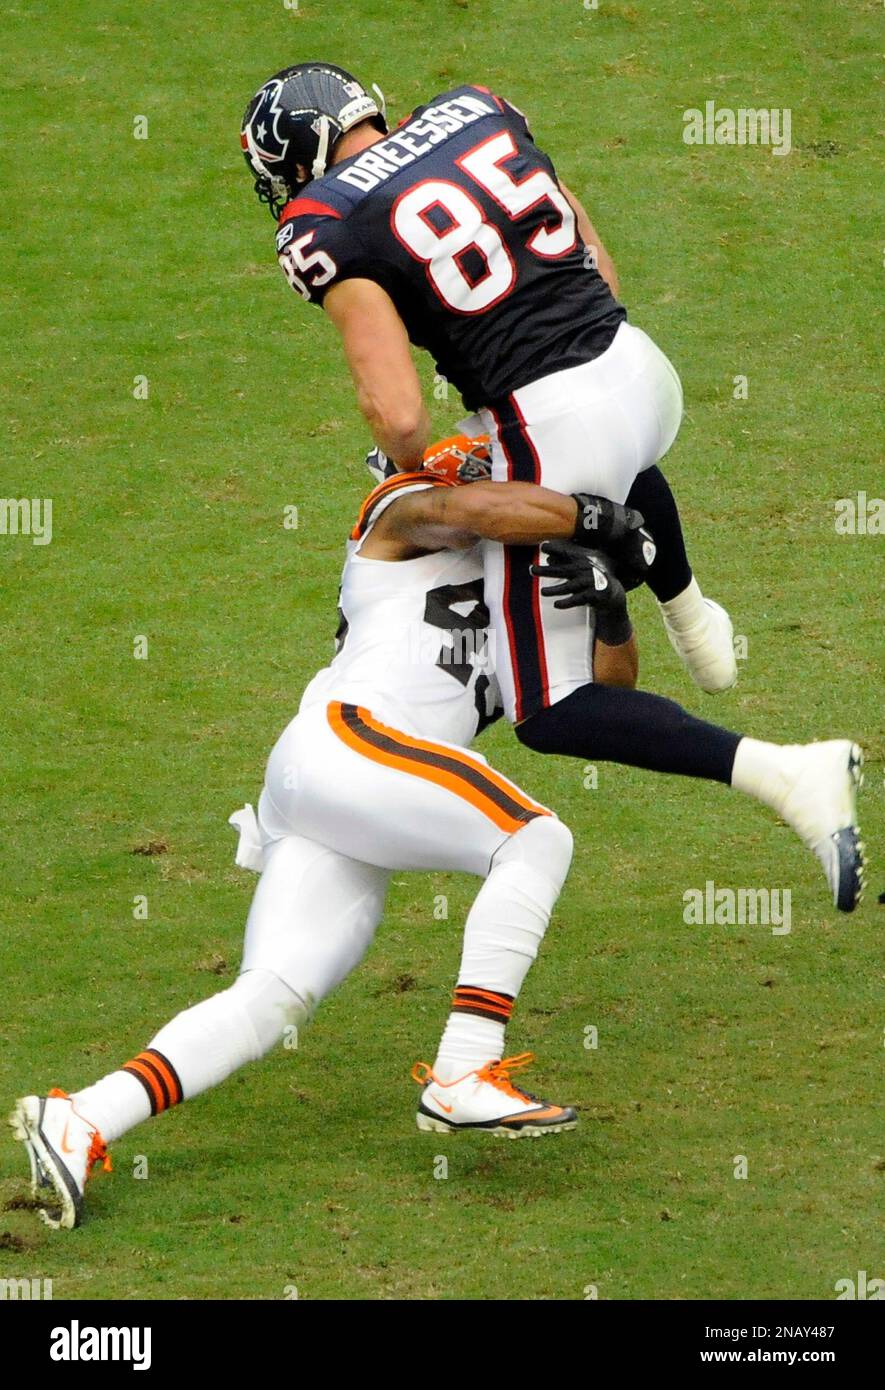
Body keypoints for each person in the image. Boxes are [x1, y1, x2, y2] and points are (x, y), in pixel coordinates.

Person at [237, 64, 865, 913]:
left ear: (296, 156)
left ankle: (790, 774)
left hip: (550, 417)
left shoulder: (325, 217)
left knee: (555, 708)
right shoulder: (475, 107)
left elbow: (396, 412)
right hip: (639, 370)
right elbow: (593, 258)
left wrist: (419, 465)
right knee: (614, 456)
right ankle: (686, 611)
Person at [9, 439, 641, 1229]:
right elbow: (463, 510)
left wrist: (610, 603)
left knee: (272, 993)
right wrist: (595, 519)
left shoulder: (523, 589)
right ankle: (465, 1067)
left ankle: (84, 1118)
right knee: (533, 839)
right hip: (351, 744)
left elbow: (604, 698)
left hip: (345, 795)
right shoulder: (399, 520)